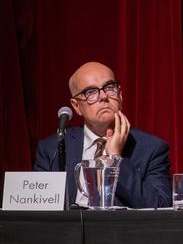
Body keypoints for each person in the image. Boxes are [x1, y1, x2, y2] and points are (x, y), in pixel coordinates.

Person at [34, 62, 171, 208]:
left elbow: (160, 206)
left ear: (120, 96)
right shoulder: (53, 148)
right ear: (76, 106)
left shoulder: (151, 148)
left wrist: (115, 159)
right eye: (91, 92)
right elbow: (37, 208)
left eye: (109, 88)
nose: (103, 96)